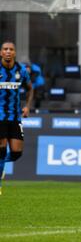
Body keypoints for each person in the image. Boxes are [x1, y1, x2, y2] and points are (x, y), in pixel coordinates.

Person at [0, 41, 33, 195]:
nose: (8, 51)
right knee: (0, 149)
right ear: (1, 52)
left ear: (14, 53)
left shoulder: (21, 70)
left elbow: (30, 89)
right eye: (5, 49)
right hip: (0, 116)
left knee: (16, 152)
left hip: (15, 116)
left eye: (11, 49)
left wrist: (27, 106)